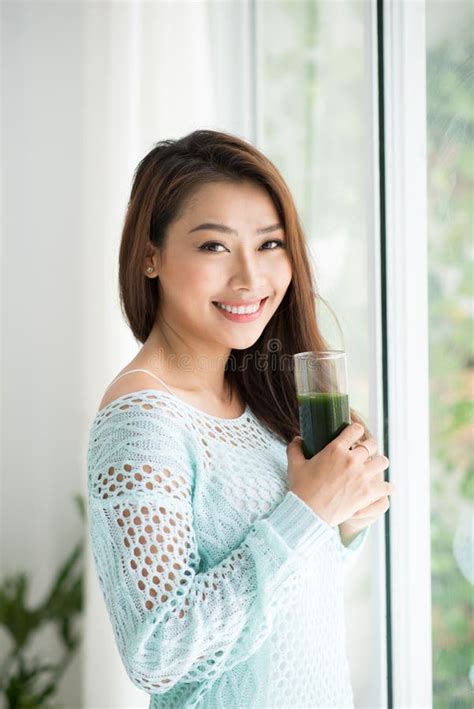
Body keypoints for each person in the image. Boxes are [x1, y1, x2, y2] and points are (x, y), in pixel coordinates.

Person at [87, 129, 393, 708]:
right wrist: (309, 511)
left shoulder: (258, 392)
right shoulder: (142, 422)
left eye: (270, 244)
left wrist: (344, 523)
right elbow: (158, 655)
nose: (251, 278)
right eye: (214, 247)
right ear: (150, 255)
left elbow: (278, 617)